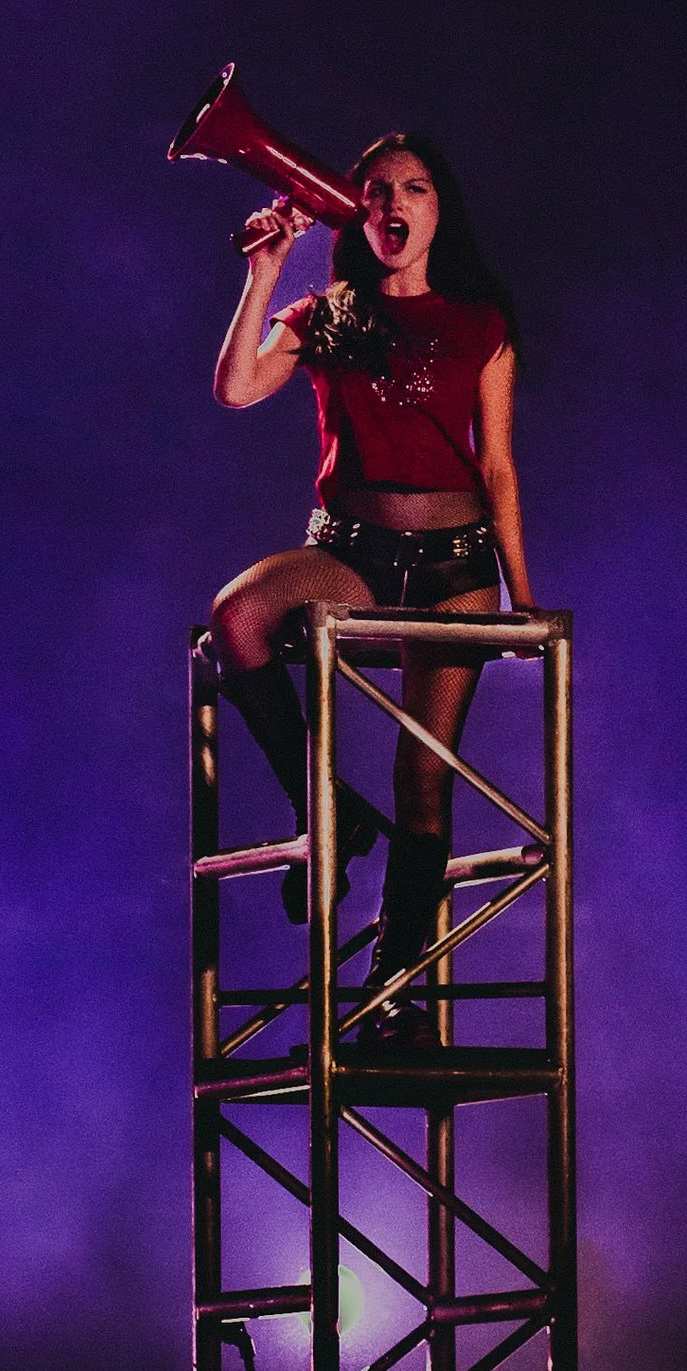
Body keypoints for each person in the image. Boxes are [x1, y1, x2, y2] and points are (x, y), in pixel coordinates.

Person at [207, 133, 533, 1048]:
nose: (394, 203)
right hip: (351, 551)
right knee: (239, 616)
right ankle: (329, 809)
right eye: (377, 188)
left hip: (458, 563)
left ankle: (393, 992)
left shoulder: (482, 319)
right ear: (355, 209)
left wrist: (520, 594)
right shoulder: (328, 312)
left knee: (423, 778)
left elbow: (499, 465)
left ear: (439, 209)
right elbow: (234, 388)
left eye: (415, 187)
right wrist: (268, 268)